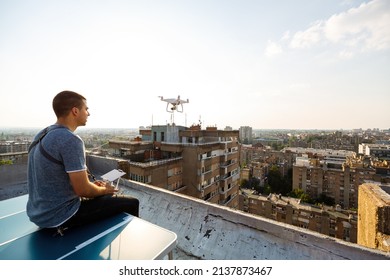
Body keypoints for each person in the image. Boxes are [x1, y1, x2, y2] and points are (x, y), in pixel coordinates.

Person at [27, 90, 139, 235]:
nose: (88, 113)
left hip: (38, 214)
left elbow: (60, 179)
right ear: (75, 111)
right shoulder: (70, 139)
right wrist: (105, 190)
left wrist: (93, 188)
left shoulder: (42, 134)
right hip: (60, 216)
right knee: (131, 202)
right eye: (86, 109)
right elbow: (83, 190)